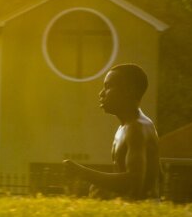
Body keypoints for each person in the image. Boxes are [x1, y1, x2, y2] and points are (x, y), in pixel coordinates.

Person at [63, 63, 160, 200]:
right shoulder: (126, 127)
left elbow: (133, 183)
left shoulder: (137, 128)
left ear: (129, 90)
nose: (101, 93)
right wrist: (105, 189)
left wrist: (82, 173)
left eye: (108, 87)